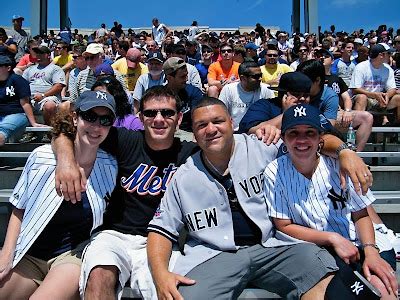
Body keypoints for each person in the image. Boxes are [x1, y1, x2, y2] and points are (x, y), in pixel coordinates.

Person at [146, 97, 373, 300]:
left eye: (218, 121)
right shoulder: (184, 177)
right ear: (194, 133)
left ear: (232, 123)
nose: (211, 129)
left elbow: (307, 141)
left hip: (273, 247)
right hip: (213, 256)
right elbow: (160, 229)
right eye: (201, 125)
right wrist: (160, 275)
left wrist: (345, 151)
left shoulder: (262, 147)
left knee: (321, 274)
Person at [53, 86, 199, 299]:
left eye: (167, 113)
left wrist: (266, 124)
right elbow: (64, 131)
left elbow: (229, 144)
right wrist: (66, 161)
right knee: (99, 275)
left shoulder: (191, 153)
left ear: (179, 118)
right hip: (114, 235)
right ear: (141, 117)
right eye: (150, 113)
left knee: (166, 291)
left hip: (162, 240)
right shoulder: (125, 140)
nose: (159, 119)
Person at [263, 104, 398, 299]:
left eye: (310, 132)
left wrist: (371, 251)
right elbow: (283, 225)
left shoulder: (339, 165)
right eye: (293, 133)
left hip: (362, 241)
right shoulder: (275, 171)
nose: (302, 140)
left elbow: (360, 214)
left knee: (383, 289)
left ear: (320, 138)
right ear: (283, 138)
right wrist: (332, 238)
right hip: (319, 249)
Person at [0, 90, 117, 299]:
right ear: (75, 117)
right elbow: (19, 207)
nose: (96, 126)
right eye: (89, 117)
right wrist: (7, 253)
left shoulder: (111, 165)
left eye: (105, 119)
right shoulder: (42, 157)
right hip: (29, 253)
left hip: (72, 255)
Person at [316, 48, 373, 151]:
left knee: (367, 117)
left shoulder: (337, 79)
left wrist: (347, 111)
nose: (322, 57)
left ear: (332, 61)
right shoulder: (311, 77)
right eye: (319, 55)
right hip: (318, 114)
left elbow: (346, 98)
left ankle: (357, 154)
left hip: (337, 114)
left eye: (326, 56)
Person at [350, 43, 400, 125]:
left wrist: (387, 96)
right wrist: (374, 95)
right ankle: (356, 129)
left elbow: (392, 88)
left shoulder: (388, 69)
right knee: (361, 98)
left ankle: (396, 131)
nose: (390, 56)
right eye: (389, 54)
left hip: (380, 98)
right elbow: (355, 89)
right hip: (366, 97)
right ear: (381, 55)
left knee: (398, 98)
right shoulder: (361, 67)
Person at [219, 60, 274, 130]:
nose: (260, 79)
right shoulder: (228, 90)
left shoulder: (266, 89)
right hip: (236, 133)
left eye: (260, 75)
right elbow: (221, 114)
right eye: (256, 76)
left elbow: (273, 115)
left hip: (259, 131)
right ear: (243, 78)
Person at [0, 55, 42, 146]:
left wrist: (33, 123)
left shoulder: (18, 80)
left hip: (17, 114)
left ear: (8, 68)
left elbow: (25, 103)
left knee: (1, 132)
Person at [22, 45, 66, 126]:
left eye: (41, 53)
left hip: (49, 98)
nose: (38, 55)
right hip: (30, 98)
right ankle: (31, 131)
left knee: (49, 106)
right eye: (37, 53)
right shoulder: (29, 69)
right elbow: (22, 85)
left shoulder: (55, 69)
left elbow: (59, 86)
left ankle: (48, 130)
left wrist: (43, 95)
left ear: (48, 55)